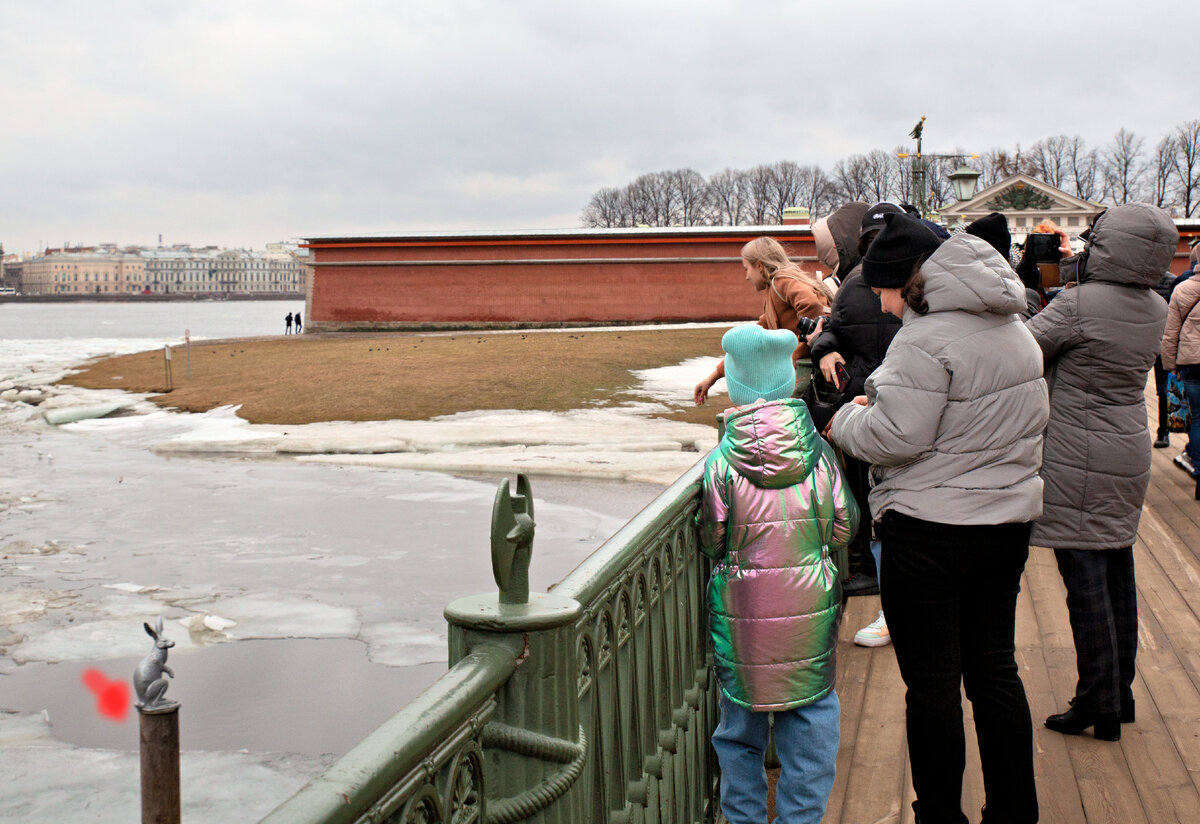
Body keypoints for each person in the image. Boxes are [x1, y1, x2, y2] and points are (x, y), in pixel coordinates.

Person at [828, 212, 1047, 824]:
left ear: (909, 280)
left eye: (882, 287)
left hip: (929, 533)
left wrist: (845, 419)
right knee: (995, 672)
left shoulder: (923, 338)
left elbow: (897, 438)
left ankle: (941, 816)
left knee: (932, 687)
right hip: (1005, 526)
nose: (879, 300)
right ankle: (1015, 812)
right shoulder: (1013, 325)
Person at [1028, 203, 1177, 742]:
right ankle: (1121, 693)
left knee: (1085, 582)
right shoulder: (1155, 305)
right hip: (1127, 450)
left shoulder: (1079, 304)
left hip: (1078, 453)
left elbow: (1025, 349)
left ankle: (1098, 702)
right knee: (1117, 574)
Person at [699, 323, 859, 824]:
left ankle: (743, 817)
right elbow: (844, 527)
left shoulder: (722, 463)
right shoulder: (819, 455)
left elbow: (712, 540)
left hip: (743, 617)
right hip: (809, 609)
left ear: (737, 388)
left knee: (738, 728)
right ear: (787, 382)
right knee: (811, 717)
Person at [810, 201, 904, 606]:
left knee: (872, 492)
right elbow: (835, 330)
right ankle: (879, 572)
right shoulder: (867, 283)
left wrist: (824, 346)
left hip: (875, 403)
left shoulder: (855, 283)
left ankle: (875, 571)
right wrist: (825, 347)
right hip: (882, 401)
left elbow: (836, 329)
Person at [693, 236, 832, 405]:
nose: (747, 277)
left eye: (747, 269)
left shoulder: (781, 282)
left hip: (809, 373)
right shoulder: (773, 293)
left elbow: (811, 305)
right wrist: (712, 378)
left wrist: (794, 354)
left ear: (759, 266)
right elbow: (748, 344)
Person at [1162, 256, 1200, 476]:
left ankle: (1197, 468)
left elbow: (1170, 333)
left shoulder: (1182, 288)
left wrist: (1170, 365)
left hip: (1189, 362)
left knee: (1197, 418)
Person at [1152, 269, 1178, 448]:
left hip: (1161, 342)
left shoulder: (1172, 282)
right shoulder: (1173, 281)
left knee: (1163, 390)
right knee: (1163, 390)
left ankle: (1163, 432)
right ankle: (1163, 433)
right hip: (1158, 341)